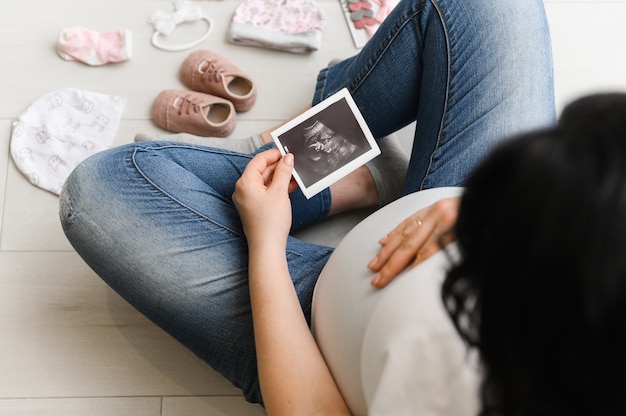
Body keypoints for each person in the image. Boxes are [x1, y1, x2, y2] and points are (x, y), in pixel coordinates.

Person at [58, 0, 555, 412]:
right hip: (460, 226)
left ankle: (319, 174)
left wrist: (267, 245)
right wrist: (489, 215)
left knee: (97, 189)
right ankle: (311, 159)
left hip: (318, 336)